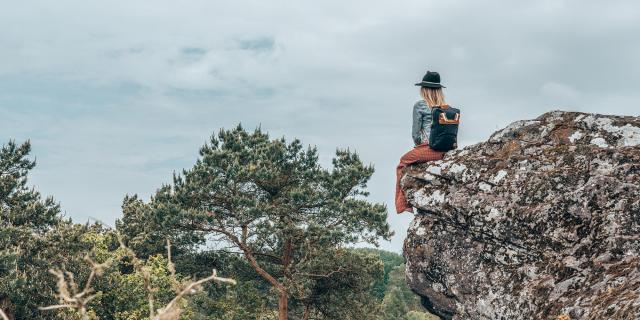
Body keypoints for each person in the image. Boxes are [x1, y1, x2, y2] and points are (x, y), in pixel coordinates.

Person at [395, 70, 450, 214]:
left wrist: (419, 146)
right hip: (447, 150)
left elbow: (415, 134)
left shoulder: (420, 105)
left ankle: (404, 205)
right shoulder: (447, 108)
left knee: (402, 162)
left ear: (424, 89)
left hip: (430, 149)